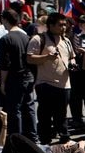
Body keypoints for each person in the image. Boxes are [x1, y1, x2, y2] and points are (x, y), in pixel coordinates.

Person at [28, 12, 75, 144]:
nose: (64, 27)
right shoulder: (38, 39)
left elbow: (72, 57)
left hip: (64, 84)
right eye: (60, 25)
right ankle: (45, 142)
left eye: (65, 25)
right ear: (51, 25)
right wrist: (47, 57)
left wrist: (72, 63)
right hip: (45, 84)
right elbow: (29, 58)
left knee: (62, 115)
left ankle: (64, 139)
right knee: (45, 116)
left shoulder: (66, 41)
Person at [0, 8, 37, 142]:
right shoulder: (26, 37)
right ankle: (32, 136)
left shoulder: (5, 39)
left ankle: (17, 139)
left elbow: (5, 64)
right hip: (28, 76)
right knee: (29, 107)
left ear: (4, 20)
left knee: (15, 110)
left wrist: (2, 82)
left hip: (15, 78)